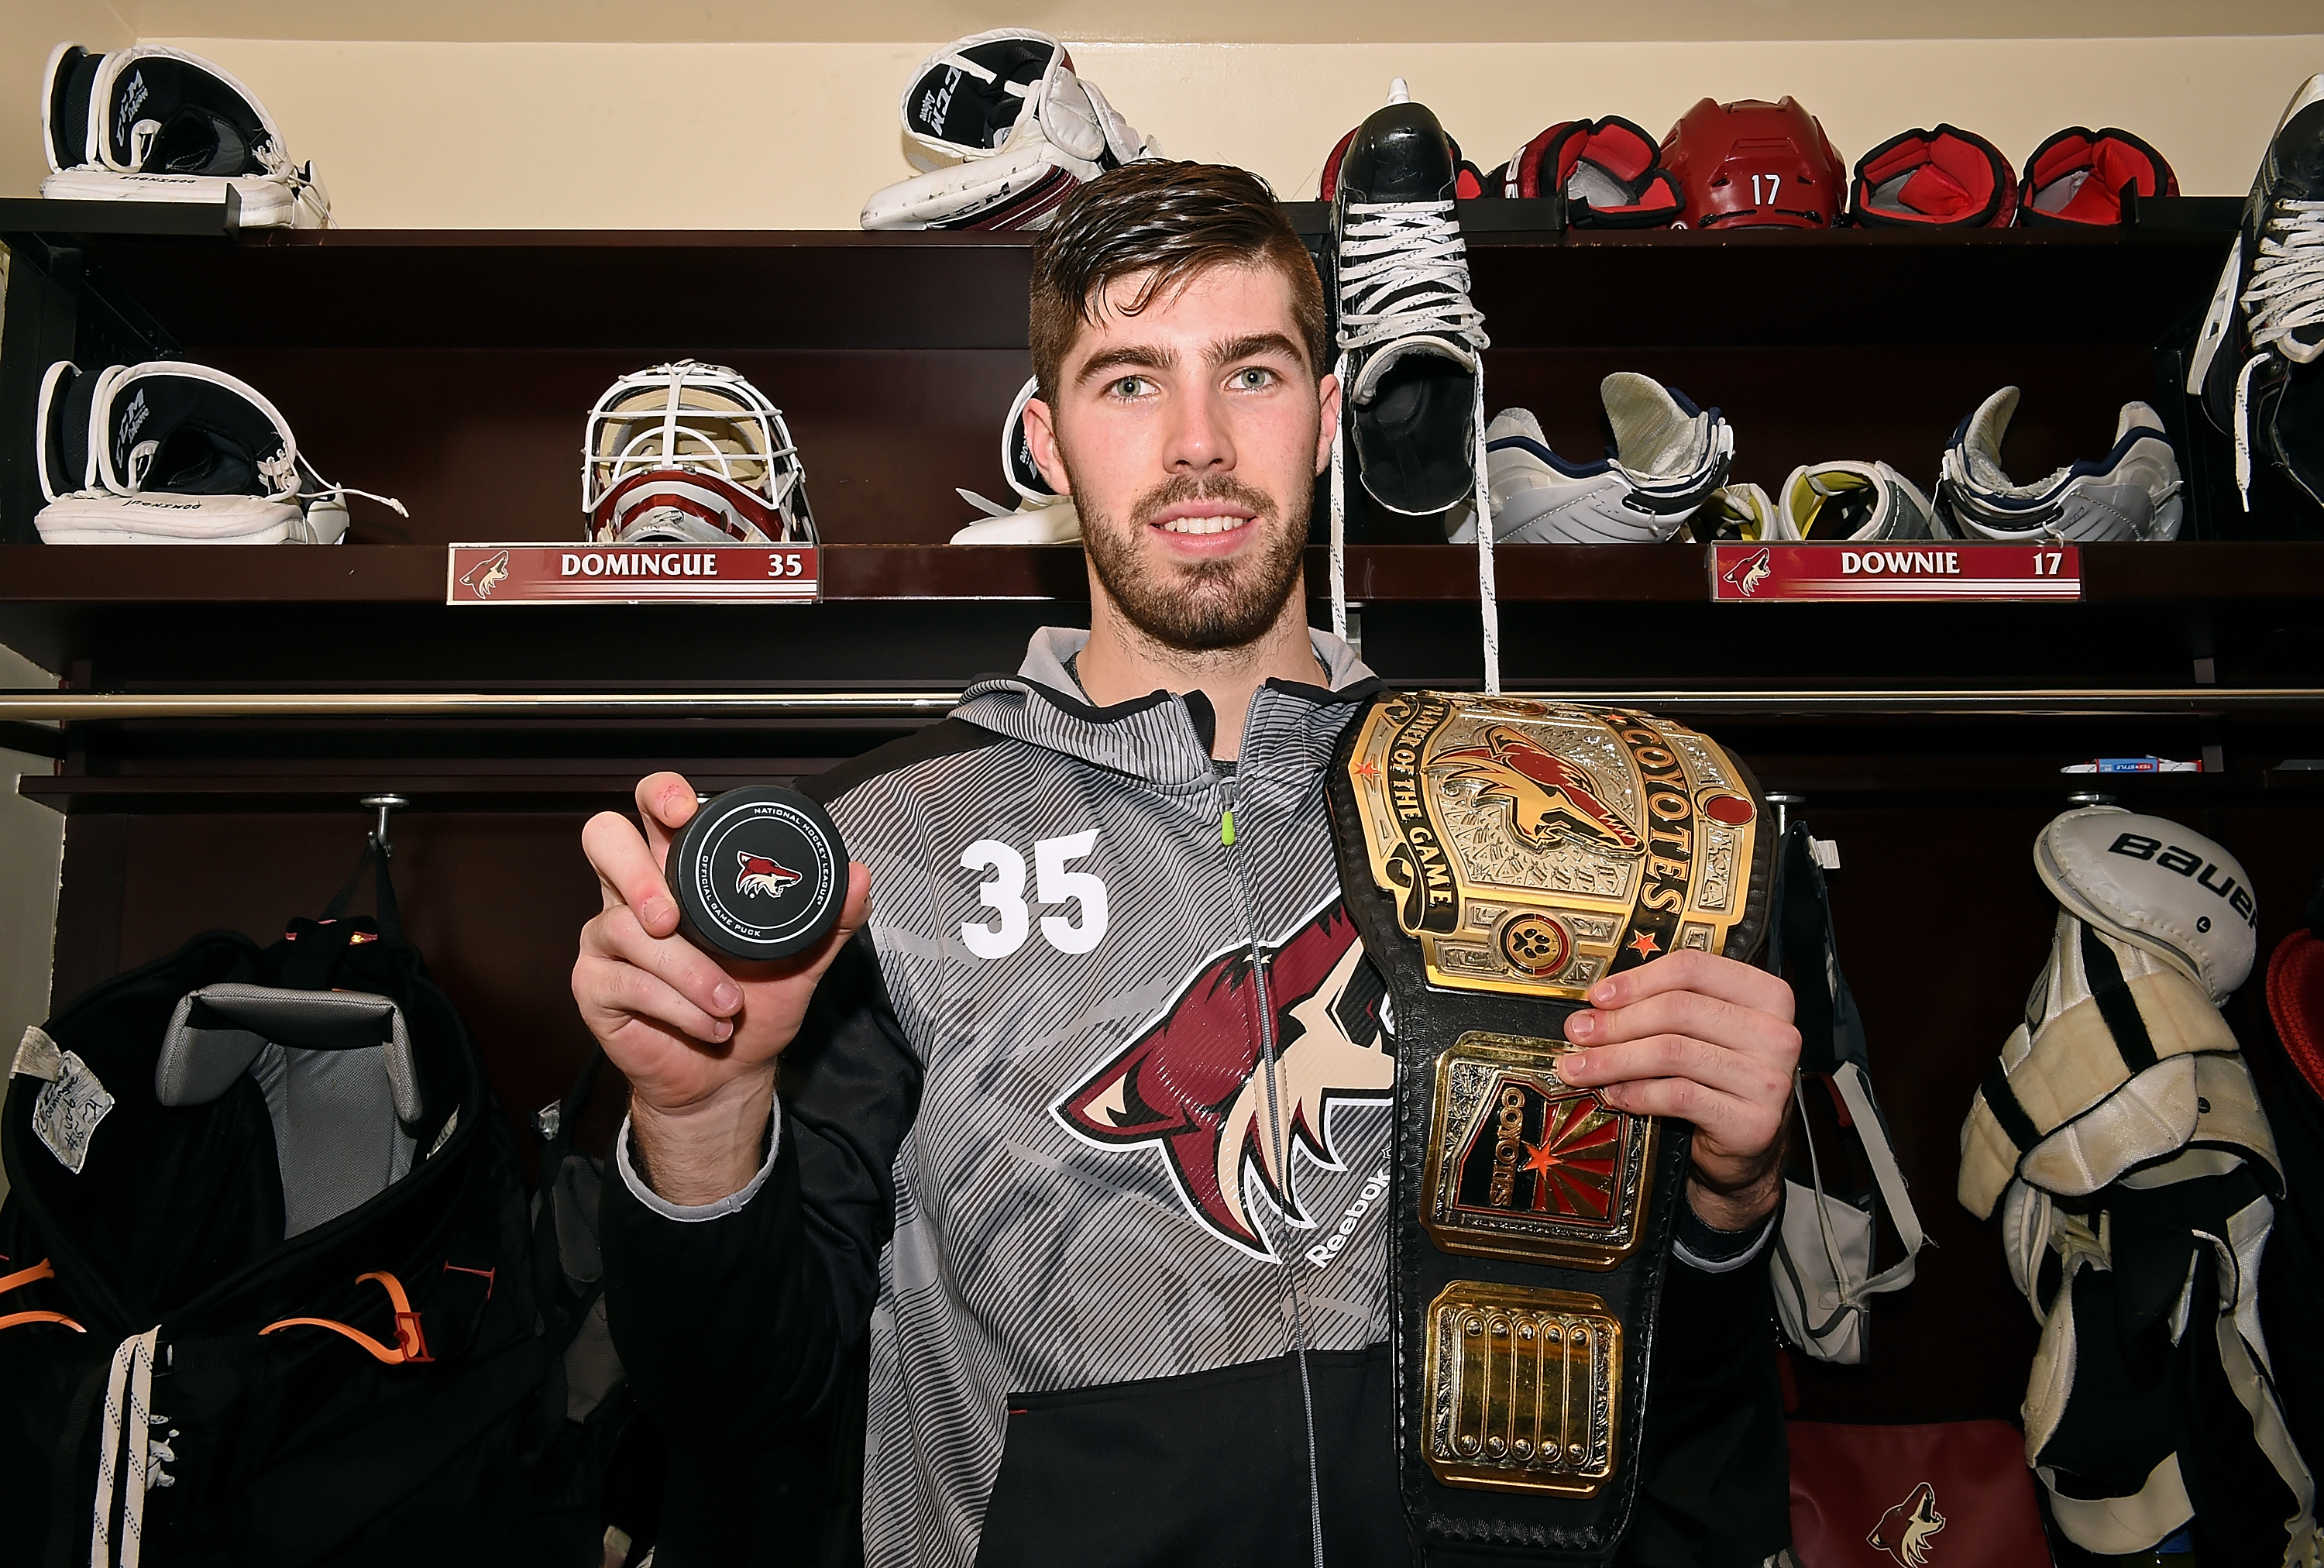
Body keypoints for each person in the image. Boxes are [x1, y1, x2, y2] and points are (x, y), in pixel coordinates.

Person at [574, 160, 1800, 1568]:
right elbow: (741, 1406)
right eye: (1131, 382)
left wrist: (1726, 1202)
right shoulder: (877, 850)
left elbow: (1656, 1394)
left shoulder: (1555, 814)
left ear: (1330, 418)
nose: (1201, 443)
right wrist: (703, 1114)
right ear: (1046, 440)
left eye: (1256, 375)